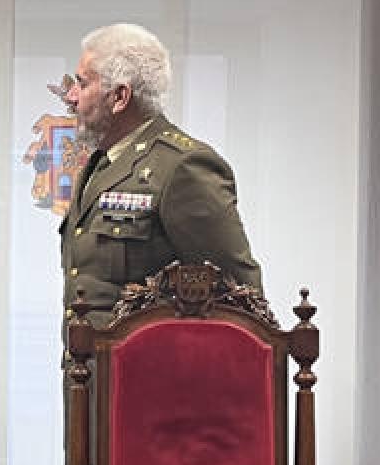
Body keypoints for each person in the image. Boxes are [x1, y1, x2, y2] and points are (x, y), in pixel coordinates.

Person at [61, 22, 263, 328]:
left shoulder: (184, 167)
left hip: (150, 371)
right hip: (89, 372)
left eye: (82, 83)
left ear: (119, 97)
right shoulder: (102, 162)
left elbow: (243, 298)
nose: (71, 96)